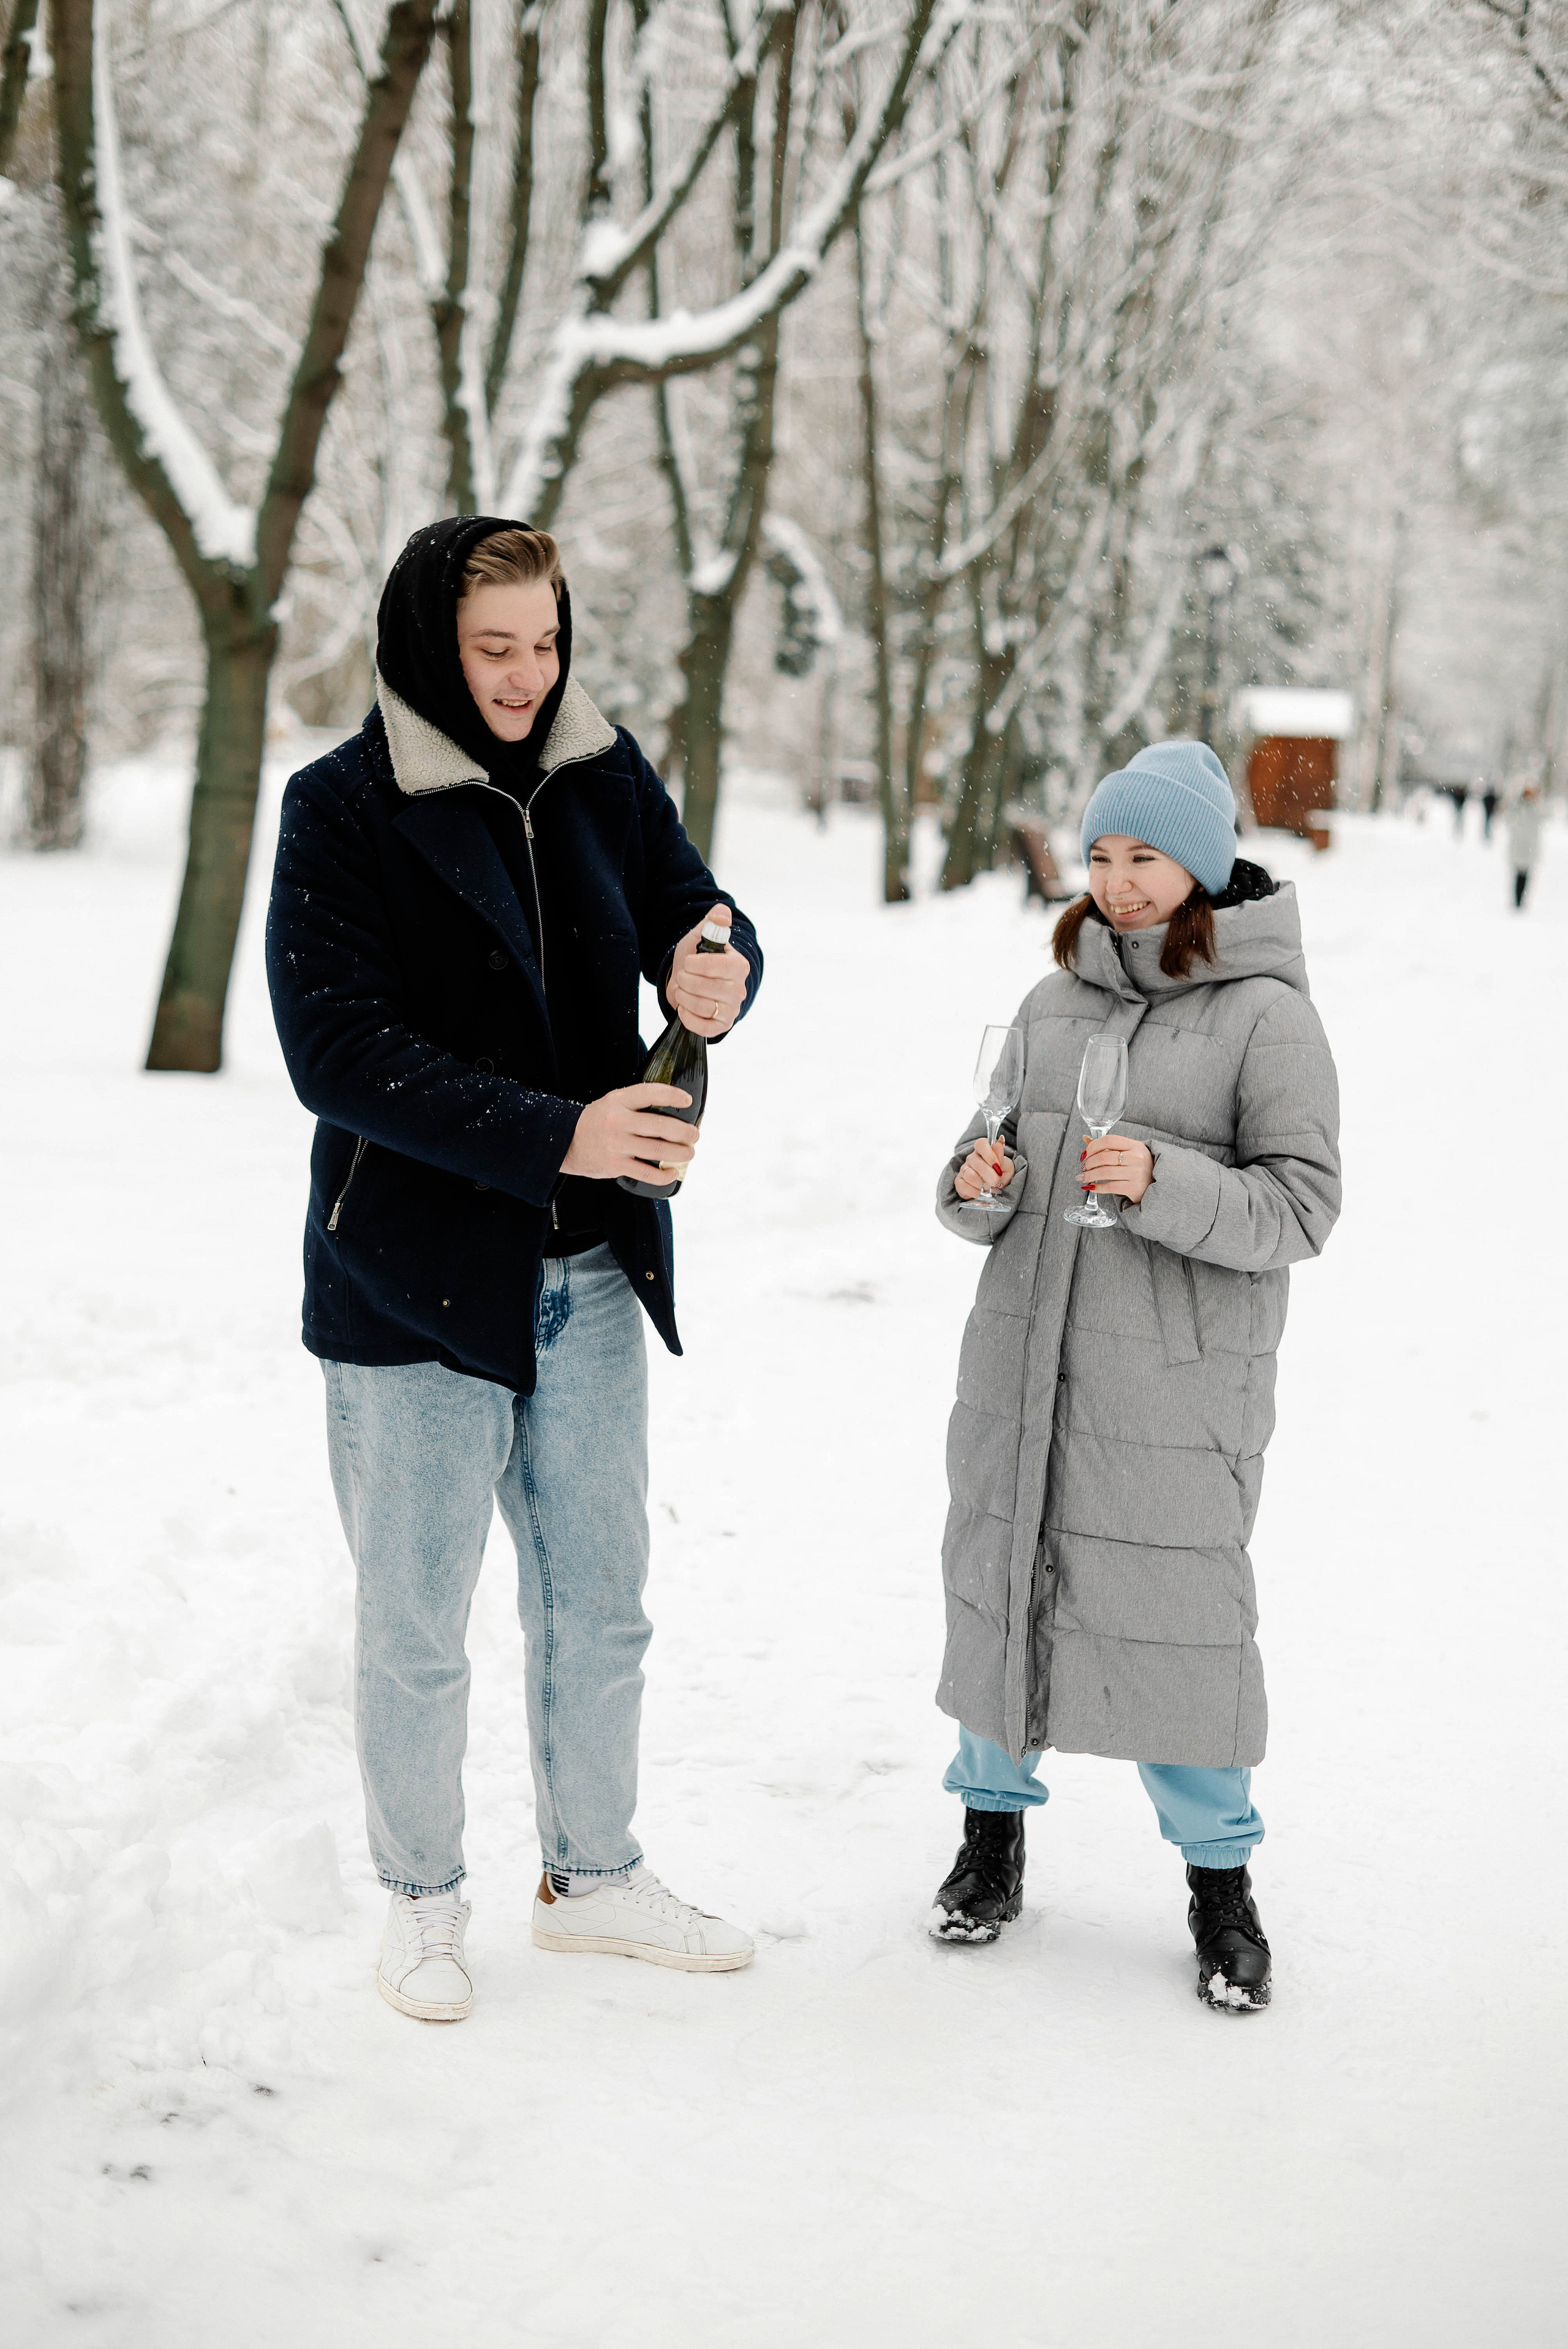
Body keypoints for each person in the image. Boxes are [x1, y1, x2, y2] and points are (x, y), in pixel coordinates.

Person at [266, 518, 762, 2022]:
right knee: (418, 1622)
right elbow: (336, 1053)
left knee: (600, 1595)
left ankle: (593, 1874)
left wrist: (716, 966)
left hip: (592, 1273)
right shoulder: (340, 807)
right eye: (494, 647)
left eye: (545, 642)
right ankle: (421, 1902)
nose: (525, 673)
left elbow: (697, 906)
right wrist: (564, 1133)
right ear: (429, 638)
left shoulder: (600, 769)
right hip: (412, 1282)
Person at [925, 740, 1341, 2011]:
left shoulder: (1266, 1017)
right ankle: (987, 1840)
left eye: (1142, 857)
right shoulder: (1051, 1005)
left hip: (1171, 1389)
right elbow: (981, 1152)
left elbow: (1301, 1207)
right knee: (1004, 1590)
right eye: (1100, 855)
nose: (1114, 882)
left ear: (1201, 868)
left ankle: (1220, 1885)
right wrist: (972, 1183)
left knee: (1178, 1627)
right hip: (1026, 1364)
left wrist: (1164, 1184)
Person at [1507, 782, 1544, 909]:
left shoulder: (1535, 808)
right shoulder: (1518, 807)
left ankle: (1521, 899)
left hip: (1529, 846)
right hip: (1520, 845)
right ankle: (1517, 899)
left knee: (1525, 875)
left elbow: (1542, 819)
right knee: (1519, 874)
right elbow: (1510, 820)